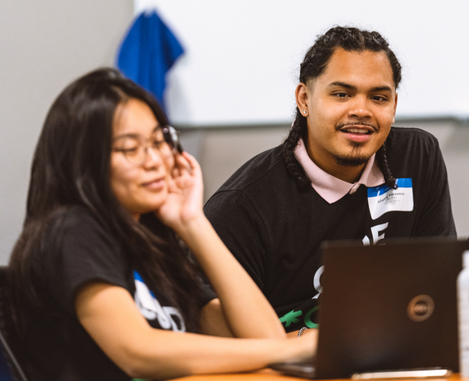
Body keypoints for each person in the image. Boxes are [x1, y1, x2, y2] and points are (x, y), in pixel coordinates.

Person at [5, 68, 314, 381]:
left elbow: (263, 337)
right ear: (84, 160)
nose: (154, 160)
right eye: (130, 148)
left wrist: (192, 223)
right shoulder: (72, 230)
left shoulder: (154, 245)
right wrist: (288, 350)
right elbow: (138, 352)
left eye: (158, 141)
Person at [204, 26, 456, 336]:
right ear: (304, 99)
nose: (361, 110)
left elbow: (442, 285)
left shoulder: (418, 157)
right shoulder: (243, 205)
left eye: (378, 97)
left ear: (394, 105)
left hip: (395, 354)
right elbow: (213, 331)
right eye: (342, 94)